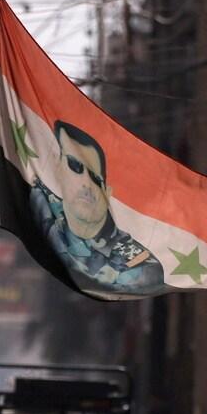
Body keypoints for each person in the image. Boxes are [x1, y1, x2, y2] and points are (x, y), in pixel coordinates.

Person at [28, 120, 167, 295]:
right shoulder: (43, 204)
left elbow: (144, 280)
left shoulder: (137, 261)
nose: (86, 183)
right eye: (75, 166)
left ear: (107, 193)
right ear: (58, 171)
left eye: (96, 178)